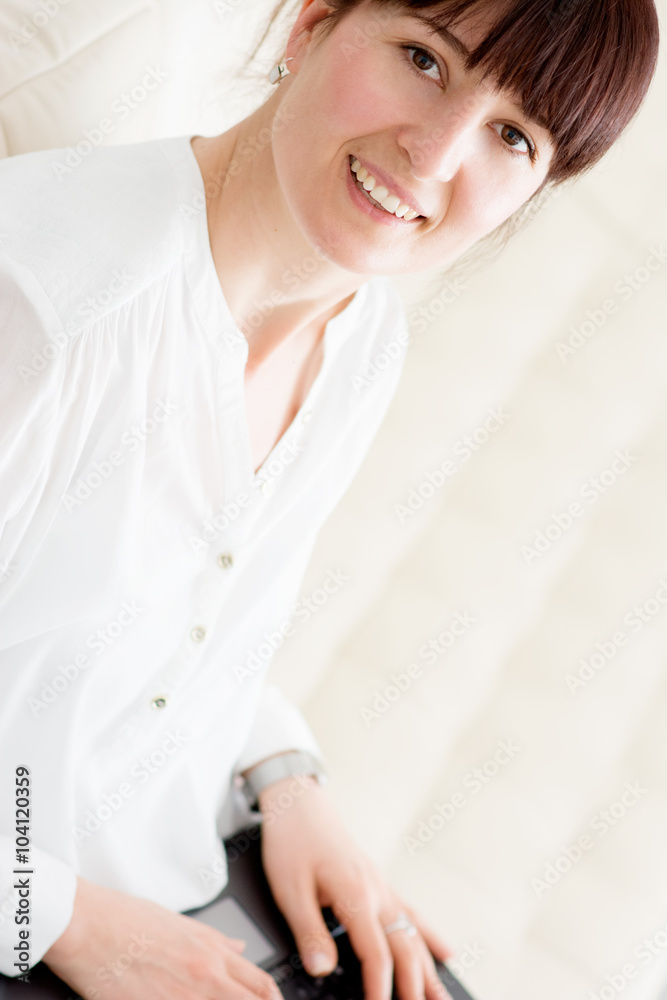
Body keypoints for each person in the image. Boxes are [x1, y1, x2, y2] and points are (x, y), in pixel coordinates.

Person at [0, 0, 659, 998]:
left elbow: (180, 626)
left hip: (183, 874)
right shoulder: (40, 297)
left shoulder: (361, 338)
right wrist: (58, 917)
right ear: (310, 25)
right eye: (423, 60)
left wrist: (283, 776)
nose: (435, 155)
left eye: (512, 136)